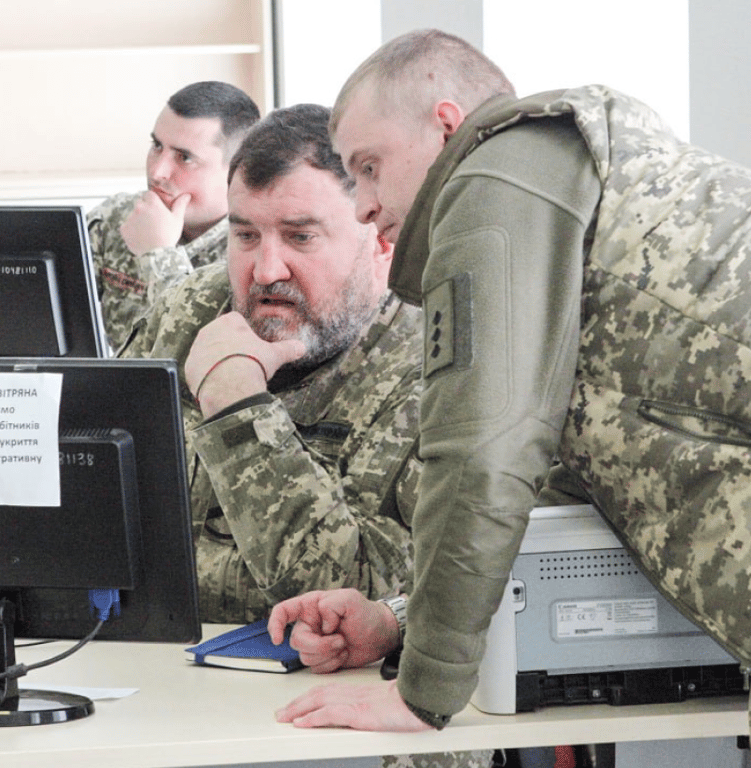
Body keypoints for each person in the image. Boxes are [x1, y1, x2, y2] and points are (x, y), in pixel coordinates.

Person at [268, 29, 751, 767]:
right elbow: (554, 497)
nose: (364, 205)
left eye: (369, 167)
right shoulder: (582, 181)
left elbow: (480, 453)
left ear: (445, 123)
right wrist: (399, 622)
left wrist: (419, 691)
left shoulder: (495, 175)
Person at [121, 103, 495, 768]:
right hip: (169, 700)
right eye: (244, 236)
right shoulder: (190, 316)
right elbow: (106, 542)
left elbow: (352, 601)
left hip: (349, 726)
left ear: (377, 238)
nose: (265, 272)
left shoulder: (439, 361)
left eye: (299, 238)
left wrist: (238, 408)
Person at [89, 81, 260, 352]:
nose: (158, 171)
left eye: (184, 157)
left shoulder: (257, 250)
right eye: (157, 146)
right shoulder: (118, 218)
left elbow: (197, 356)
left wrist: (158, 255)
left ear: (237, 169)